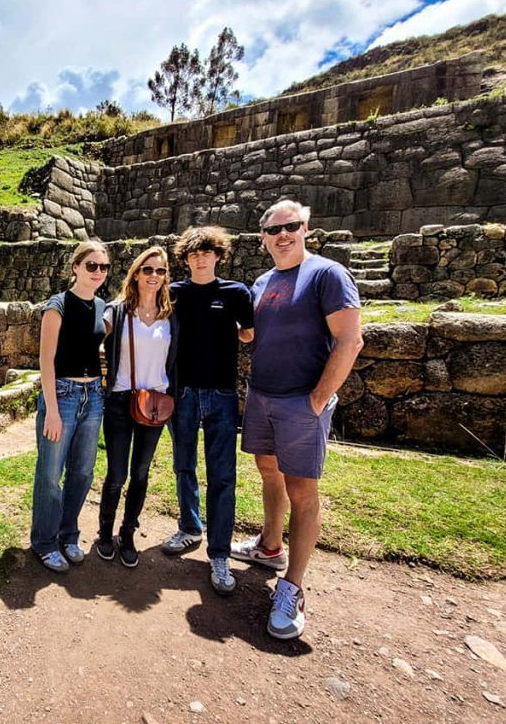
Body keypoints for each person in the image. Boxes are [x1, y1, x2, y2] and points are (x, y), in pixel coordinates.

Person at [234, 199, 363, 640]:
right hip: (263, 393)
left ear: (307, 228)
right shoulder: (263, 281)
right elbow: (251, 333)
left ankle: (293, 586)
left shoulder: (327, 274)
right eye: (274, 229)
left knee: (302, 488)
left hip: (300, 401)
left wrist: (318, 399)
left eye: (291, 226)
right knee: (267, 469)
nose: (282, 235)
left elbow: (350, 340)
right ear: (263, 238)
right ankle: (270, 547)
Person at [161, 227, 255, 596]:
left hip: (221, 393)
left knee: (222, 475)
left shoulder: (235, 293)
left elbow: (248, 333)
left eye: (207, 252)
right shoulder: (174, 294)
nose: (200, 258)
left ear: (218, 255)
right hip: (182, 392)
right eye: (193, 253)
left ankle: (219, 553)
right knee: (184, 465)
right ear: (185, 258)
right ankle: (189, 528)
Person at [31, 240, 111, 573]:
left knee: (82, 472)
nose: (97, 272)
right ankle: (45, 542)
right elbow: (46, 360)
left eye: (103, 267)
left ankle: (68, 534)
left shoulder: (101, 305)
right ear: (75, 267)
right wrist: (51, 408)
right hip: (61, 395)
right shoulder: (57, 305)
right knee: (51, 474)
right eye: (91, 265)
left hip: (93, 396)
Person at [97, 246, 178, 568]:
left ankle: (128, 532)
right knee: (116, 474)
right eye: (148, 270)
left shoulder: (172, 316)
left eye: (160, 271)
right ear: (136, 274)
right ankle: (105, 533)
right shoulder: (117, 311)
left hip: (155, 404)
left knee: (141, 474)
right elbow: (91, 332)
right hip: (120, 401)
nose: (154, 276)